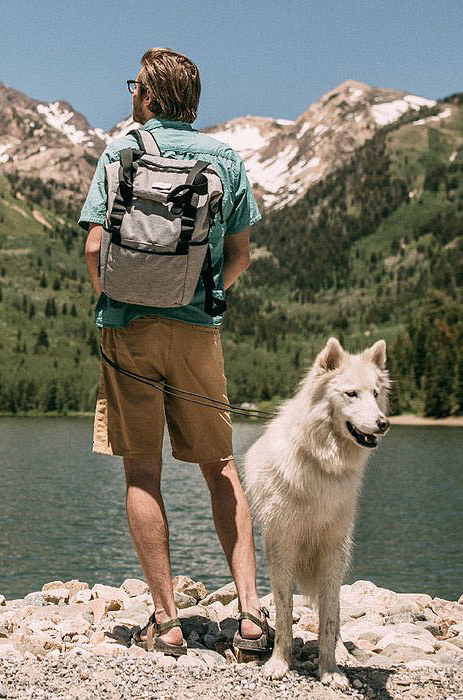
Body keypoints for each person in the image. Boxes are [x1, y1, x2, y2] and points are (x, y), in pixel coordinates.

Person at [78, 47, 269, 655]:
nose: (130, 93)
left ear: (150, 97)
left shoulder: (120, 152)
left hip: (127, 330)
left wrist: (117, 302)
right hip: (197, 331)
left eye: (135, 85)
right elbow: (239, 256)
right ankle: (251, 616)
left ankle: (165, 623)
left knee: (142, 469)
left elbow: (92, 248)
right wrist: (202, 296)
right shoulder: (224, 158)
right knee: (220, 467)